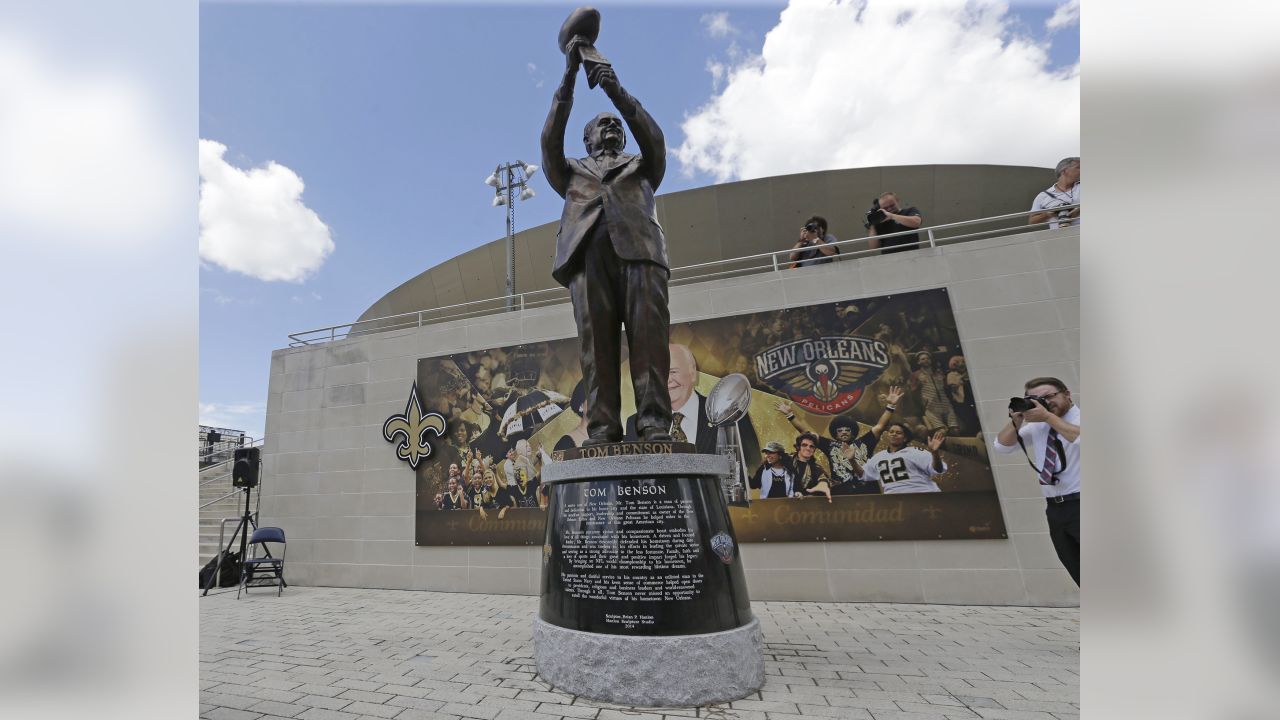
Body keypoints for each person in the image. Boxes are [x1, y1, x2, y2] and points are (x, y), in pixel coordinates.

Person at [542, 36, 672, 445]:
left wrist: (614, 90)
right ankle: (602, 428)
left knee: (649, 342)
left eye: (615, 123)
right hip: (587, 260)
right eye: (604, 123)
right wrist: (569, 78)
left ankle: (654, 423)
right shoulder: (571, 171)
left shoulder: (642, 165)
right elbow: (549, 141)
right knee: (596, 349)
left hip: (641, 255)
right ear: (588, 140)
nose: (612, 126)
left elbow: (652, 136)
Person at [992, 377, 1081, 586]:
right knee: (1077, 568)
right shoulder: (1039, 427)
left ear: (1067, 393)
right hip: (1056, 509)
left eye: (1049, 396)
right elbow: (1002, 446)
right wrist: (1017, 419)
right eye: (1037, 399)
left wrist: (1048, 417)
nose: (1046, 403)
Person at [624, 344, 760, 461]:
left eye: (673, 372)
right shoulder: (636, 424)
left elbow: (752, 467)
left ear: (692, 373)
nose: (667, 380)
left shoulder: (729, 414)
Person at [775, 385, 905, 495]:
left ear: (853, 433)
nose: (843, 432)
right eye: (840, 430)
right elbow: (806, 432)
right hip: (841, 491)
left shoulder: (865, 442)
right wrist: (790, 415)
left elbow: (880, 427)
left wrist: (890, 406)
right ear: (835, 434)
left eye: (847, 430)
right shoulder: (830, 445)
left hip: (868, 489)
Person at [852, 423, 947, 494]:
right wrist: (852, 460)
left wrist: (934, 453)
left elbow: (938, 469)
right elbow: (863, 474)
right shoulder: (878, 457)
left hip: (922, 495)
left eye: (898, 433)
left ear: (905, 438)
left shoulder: (915, 452)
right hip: (896, 502)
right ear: (887, 435)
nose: (894, 434)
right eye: (891, 432)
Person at [910, 350, 961, 434]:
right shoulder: (916, 375)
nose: (926, 360)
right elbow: (913, 392)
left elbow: (946, 386)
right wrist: (922, 403)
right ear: (918, 362)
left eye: (927, 358)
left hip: (946, 404)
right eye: (923, 359)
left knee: (955, 430)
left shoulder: (939, 372)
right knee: (941, 431)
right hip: (930, 407)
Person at [1029, 157, 1081, 229]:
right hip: (1060, 237)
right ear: (1064, 171)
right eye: (1078, 167)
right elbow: (1032, 221)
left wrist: (1078, 211)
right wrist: (1049, 213)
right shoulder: (1043, 196)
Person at [792, 432, 832, 502]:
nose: (808, 448)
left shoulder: (816, 467)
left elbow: (823, 478)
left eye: (811, 446)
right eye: (804, 445)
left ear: (814, 450)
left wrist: (823, 485)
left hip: (803, 506)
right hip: (781, 502)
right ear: (798, 447)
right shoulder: (785, 460)